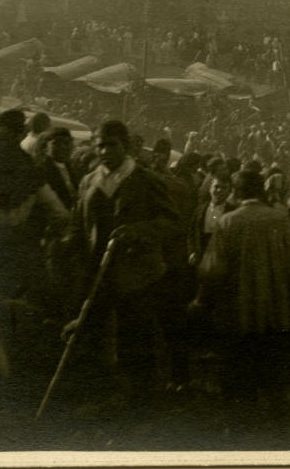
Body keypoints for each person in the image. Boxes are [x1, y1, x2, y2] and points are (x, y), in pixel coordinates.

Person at [60, 120, 181, 416]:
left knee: (134, 335)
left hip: (135, 272)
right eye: (99, 145)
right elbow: (78, 224)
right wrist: (67, 243)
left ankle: (141, 400)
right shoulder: (89, 181)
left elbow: (172, 222)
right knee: (91, 331)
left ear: (125, 146)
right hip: (95, 271)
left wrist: (139, 231)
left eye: (110, 144)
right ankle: (101, 392)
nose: (104, 151)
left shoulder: (144, 180)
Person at [194, 169, 290, 433]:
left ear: (237, 192)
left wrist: (201, 300)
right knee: (273, 363)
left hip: (236, 309)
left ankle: (241, 422)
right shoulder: (281, 219)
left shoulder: (227, 222)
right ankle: (281, 417)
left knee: (237, 365)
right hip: (275, 308)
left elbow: (213, 270)